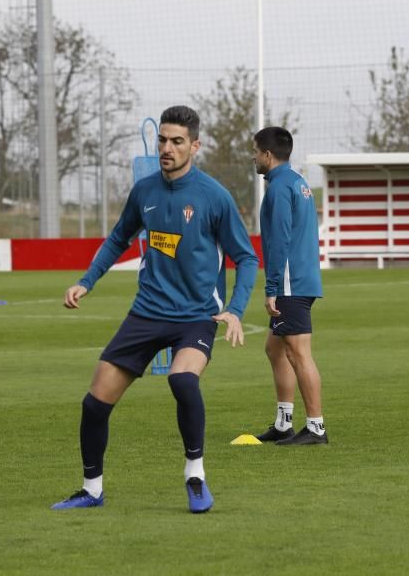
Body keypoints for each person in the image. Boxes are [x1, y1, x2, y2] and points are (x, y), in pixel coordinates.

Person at [52, 105, 259, 513]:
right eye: (163, 139)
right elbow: (117, 239)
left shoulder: (214, 196)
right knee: (94, 404)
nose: (167, 147)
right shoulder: (144, 191)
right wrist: (85, 281)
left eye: (177, 141)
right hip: (146, 312)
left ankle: (195, 475)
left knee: (182, 380)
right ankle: (91, 489)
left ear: (194, 146)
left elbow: (247, 257)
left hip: (197, 315)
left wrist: (234, 308)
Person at [251, 126, 328, 446]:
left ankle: (316, 428)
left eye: (255, 152)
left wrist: (272, 287)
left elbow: (280, 238)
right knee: (274, 348)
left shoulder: (280, 187)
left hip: (290, 282)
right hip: (300, 277)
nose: (253, 158)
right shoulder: (297, 181)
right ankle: (284, 424)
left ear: (267, 155)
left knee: (298, 353)